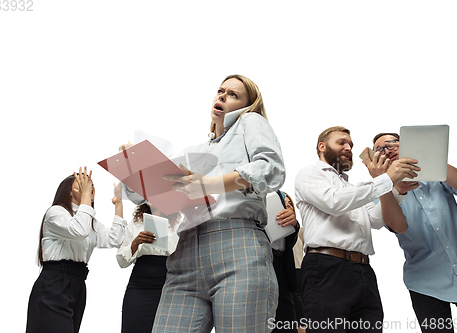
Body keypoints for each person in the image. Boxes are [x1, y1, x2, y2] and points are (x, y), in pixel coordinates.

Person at [150, 74, 285, 333]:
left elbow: (271, 169)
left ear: (249, 106)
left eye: (233, 94)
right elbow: (152, 198)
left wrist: (208, 184)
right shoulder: (193, 151)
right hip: (184, 255)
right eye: (221, 90)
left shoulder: (250, 122)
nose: (222, 96)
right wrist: (134, 165)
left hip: (237, 248)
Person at [294, 126, 419, 332]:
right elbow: (333, 202)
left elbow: (374, 220)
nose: (348, 147)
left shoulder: (355, 189)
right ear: (322, 146)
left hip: (363, 270)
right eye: (341, 142)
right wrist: (386, 180)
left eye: (350, 145)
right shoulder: (309, 173)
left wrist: (395, 191)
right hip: (326, 268)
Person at [373, 133, 457, 333]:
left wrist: (428, 157)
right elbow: (398, 227)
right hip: (425, 284)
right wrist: (384, 183)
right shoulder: (382, 195)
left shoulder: (435, 178)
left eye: (392, 143)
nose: (387, 149)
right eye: (380, 149)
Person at [26, 167, 127, 333]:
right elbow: (79, 231)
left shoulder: (89, 220)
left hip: (77, 285)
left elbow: (114, 239)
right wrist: (86, 196)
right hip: (54, 284)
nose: (90, 187)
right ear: (69, 192)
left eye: (91, 184)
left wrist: (118, 205)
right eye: (83, 184)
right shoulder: (56, 212)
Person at [116, 190, 180, 333]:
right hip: (140, 283)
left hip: (170, 283)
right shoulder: (136, 222)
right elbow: (121, 260)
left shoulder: (180, 222)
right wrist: (136, 242)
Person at [271, 191, 300, 333]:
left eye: (290, 205)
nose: (288, 207)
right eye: (285, 203)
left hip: (283, 268)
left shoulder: (294, 226)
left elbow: (291, 243)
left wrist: (294, 226)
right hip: (266, 262)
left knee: (286, 320)